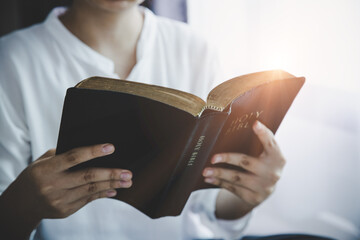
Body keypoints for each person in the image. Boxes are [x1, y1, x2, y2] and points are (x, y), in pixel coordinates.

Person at [0, 0, 286, 239]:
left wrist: (247, 194)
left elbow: (206, 207)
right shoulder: (12, 61)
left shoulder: (195, 49)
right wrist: (26, 204)